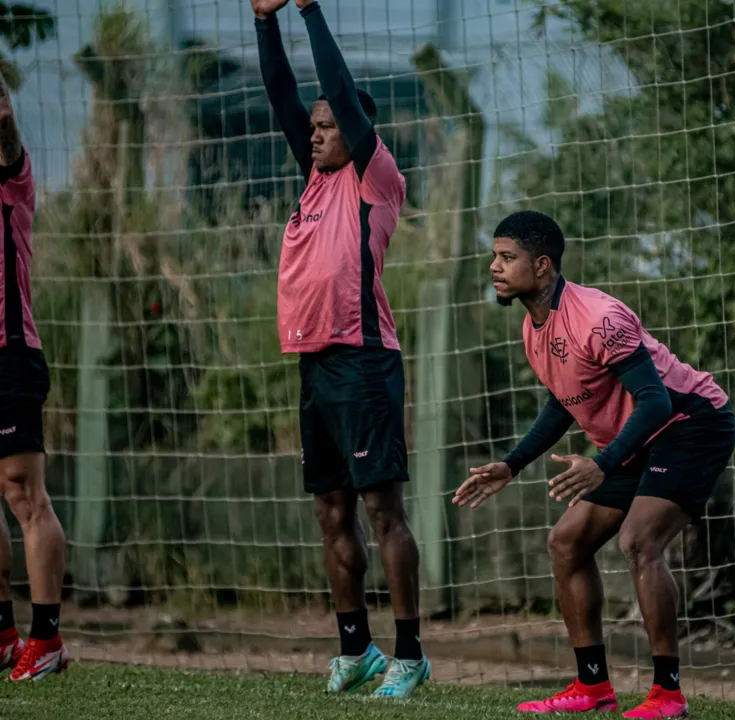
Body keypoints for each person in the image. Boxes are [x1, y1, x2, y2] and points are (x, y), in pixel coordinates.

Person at [454, 211, 735, 719]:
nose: (493, 266)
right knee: (566, 543)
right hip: (634, 440)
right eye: (494, 256)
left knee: (639, 542)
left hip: (690, 422)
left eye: (506, 257)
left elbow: (654, 402)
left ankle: (668, 696)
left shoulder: (598, 317)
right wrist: (512, 464)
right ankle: (592, 687)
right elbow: (564, 401)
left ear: (542, 266)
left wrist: (603, 463)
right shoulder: (533, 325)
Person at [251, 0, 427, 697]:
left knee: (384, 512)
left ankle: (410, 653)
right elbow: (282, 94)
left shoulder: (375, 177)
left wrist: (308, 9)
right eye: (315, 127)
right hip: (316, 366)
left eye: (331, 125)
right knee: (331, 512)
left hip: (363, 361)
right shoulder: (315, 177)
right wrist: (265, 21)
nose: (317, 134)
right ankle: (358, 649)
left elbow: (334, 92)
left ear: (358, 129)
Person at [0, 73, 70, 681]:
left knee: (25, 495)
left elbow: (8, 138)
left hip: (10, 356)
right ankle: (2, 631)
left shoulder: (11, 180)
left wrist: (3, 114)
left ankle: (45, 637)